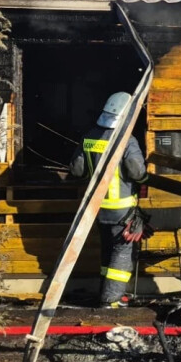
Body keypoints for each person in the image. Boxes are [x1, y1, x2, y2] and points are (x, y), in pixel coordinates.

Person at [69, 92, 148, 308]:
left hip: (97, 210)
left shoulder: (90, 137)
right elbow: (136, 169)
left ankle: (107, 292)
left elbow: (77, 170)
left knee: (107, 252)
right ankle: (110, 299)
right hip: (122, 210)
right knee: (122, 252)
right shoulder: (126, 140)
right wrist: (144, 178)